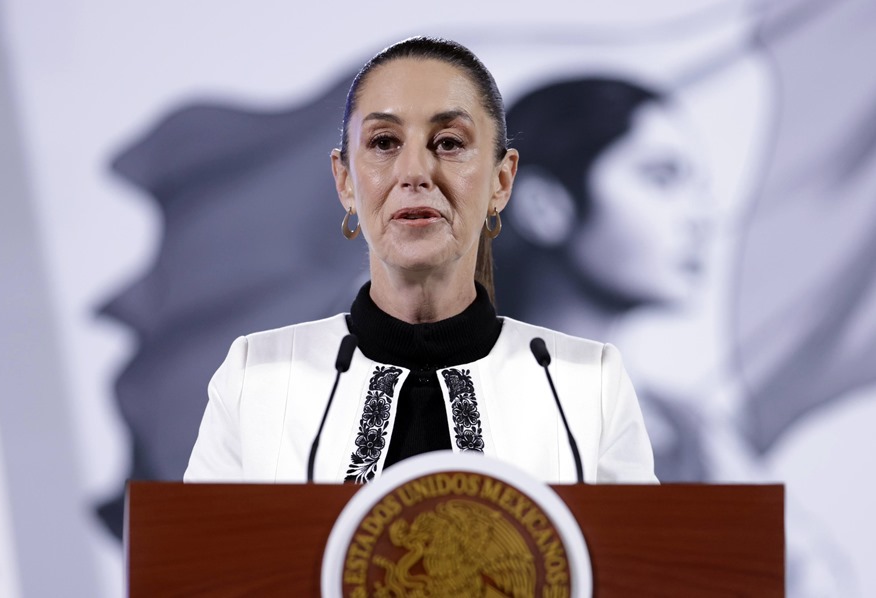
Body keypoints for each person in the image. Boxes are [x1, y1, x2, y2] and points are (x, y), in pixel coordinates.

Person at [184, 37, 656, 485]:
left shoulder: (585, 384)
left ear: (502, 181)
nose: (414, 172)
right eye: (384, 142)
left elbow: (642, 566)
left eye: (449, 142)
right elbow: (197, 564)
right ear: (345, 181)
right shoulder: (258, 378)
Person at [494, 78, 710, 481]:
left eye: (699, 189)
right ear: (543, 205)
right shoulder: (447, 408)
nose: (700, 216)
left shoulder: (690, 429)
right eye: (661, 178)